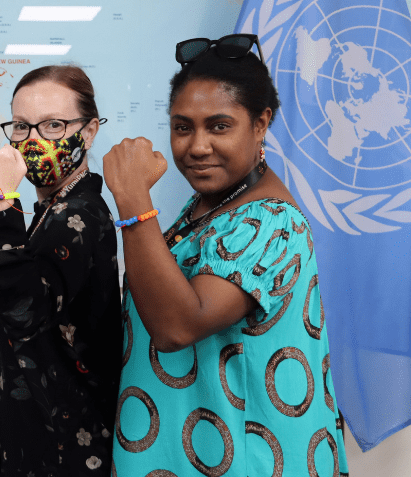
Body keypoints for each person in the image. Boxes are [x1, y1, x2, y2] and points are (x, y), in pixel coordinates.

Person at [103, 35, 347, 476]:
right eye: (183, 127)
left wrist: (133, 198)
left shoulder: (272, 221)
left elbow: (177, 327)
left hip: (245, 458)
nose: (197, 146)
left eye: (219, 126)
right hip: (190, 448)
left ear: (260, 124)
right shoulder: (210, 205)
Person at [0, 65, 122, 476]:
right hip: (37, 436)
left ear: (88, 132)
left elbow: (24, 310)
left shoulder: (80, 214)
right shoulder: (50, 210)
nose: (33, 140)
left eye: (53, 125)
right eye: (21, 126)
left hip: (65, 448)